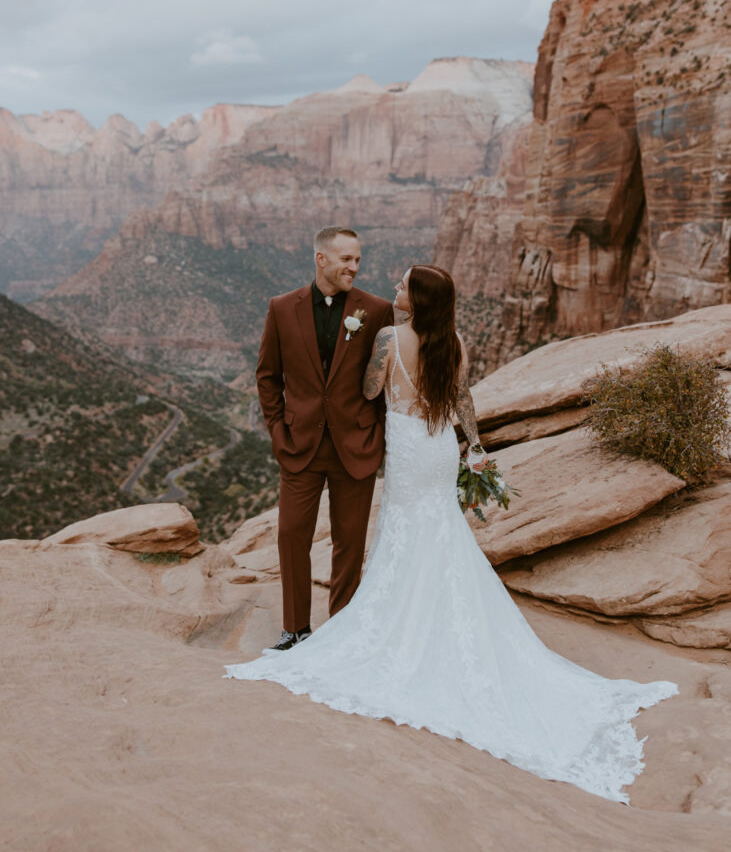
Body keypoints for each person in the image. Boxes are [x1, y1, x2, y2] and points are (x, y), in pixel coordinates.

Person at [226, 264, 677, 803]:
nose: (394, 289)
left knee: (403, 532)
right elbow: (463, 400)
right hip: (440, 447)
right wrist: (477, 447)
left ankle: (405, 624)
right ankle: (442, 611)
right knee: (440, 531)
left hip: (409, 448)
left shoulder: (391, 338)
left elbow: (371, 389)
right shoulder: (455, 341)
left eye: (402, 285)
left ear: (416, 299)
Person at [255, 226, 394, 650]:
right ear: (321, 260)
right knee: (291, 536)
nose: (355, 266)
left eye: (357, 259)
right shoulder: (281, 309)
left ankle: (341, 631)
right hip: (299, 448)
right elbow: (267, 376)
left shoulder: (377, 310)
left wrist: (380, 435)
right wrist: (279, 432)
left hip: (357, 445)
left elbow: (386, 381)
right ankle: (295, 629)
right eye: (346, 259)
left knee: (349, 542)